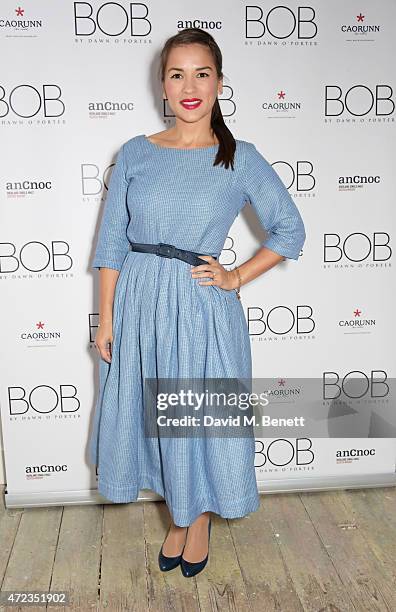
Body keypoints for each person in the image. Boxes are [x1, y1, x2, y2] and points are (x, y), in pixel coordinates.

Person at [89, 27, 306, 578]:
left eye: (201, 73)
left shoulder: (240, 157)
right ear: (162, 84)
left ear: (219, 83)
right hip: (138, 304)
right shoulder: (136, 152)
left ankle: (198, 519)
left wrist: (237, 276)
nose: (189, 86)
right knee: (153, 419)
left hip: (199, 306)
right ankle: (178, 514)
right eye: (177, 74)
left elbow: (289, 229)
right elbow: (113, 239)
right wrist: (108, 316)